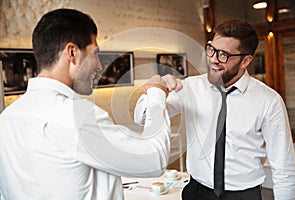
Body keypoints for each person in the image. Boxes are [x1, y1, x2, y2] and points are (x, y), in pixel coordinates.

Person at [0, 8, 172, 200]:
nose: (99, 65)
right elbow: (153, 160)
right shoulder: (78, 117)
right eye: (95, 54)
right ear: (72, 52)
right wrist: (157, 92)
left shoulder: (7, 116)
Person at [134, 19, 295, 200]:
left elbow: (285, 168)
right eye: (211, 50)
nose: (213, 59)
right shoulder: (190, 87)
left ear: (246, 61)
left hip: (244, 196)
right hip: (196, 192)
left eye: (224, 55)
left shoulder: (269, 101)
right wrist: (156, 90)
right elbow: (142, 118)